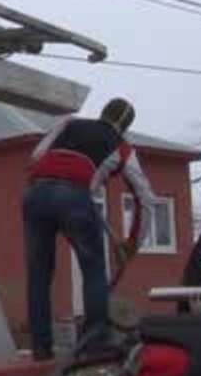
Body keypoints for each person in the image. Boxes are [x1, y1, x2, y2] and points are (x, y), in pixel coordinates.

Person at [22, 98, 158, 361]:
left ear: (103, 113)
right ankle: (93, 345)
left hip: (35, 194)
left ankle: (40, 347)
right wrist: (132, 244)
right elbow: (146, 198)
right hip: (75, 198)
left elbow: (37, 156)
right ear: (125, 127)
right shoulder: (123, 148)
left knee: (39, 273)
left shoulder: (68, 123)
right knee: (93, 268)